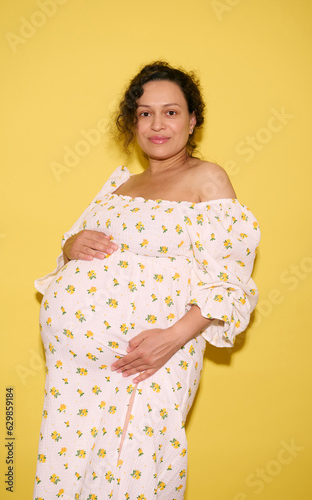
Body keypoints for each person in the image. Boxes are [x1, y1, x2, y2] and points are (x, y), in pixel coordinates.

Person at [33, 61, 260, 499]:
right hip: (75, 374)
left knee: (133, 470)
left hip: (147, 360)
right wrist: (71, 245)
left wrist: (171, 338)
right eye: (145, 112)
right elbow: (78, 253)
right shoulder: (120, 184)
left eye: (171, 112)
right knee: (72, 473)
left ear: (193, 120)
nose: (157, 124)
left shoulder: (206, 179)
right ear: (132, 121)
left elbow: (231, 282)